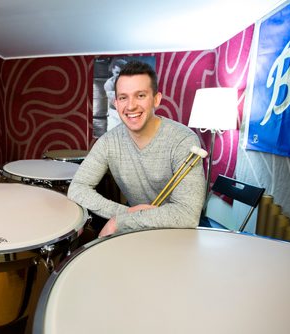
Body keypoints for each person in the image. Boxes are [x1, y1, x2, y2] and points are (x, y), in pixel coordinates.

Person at [68, 60, 205, 237]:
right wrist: (127, 214)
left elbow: (187, 213)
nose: (131, 105)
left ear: (156, 99)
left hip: (178, 234)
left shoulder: (183, 140)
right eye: (123, 97)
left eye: (140, 95)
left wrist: (120, 221)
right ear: (116, 103)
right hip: (138, 232)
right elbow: (77, 188)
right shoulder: (109, 142)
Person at [103, 59, 127, 132]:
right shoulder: (109, 84)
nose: (119, 75)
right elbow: (115, 101)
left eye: (122, 73)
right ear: (112, 70)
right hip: (114, 113)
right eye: (117, 72)